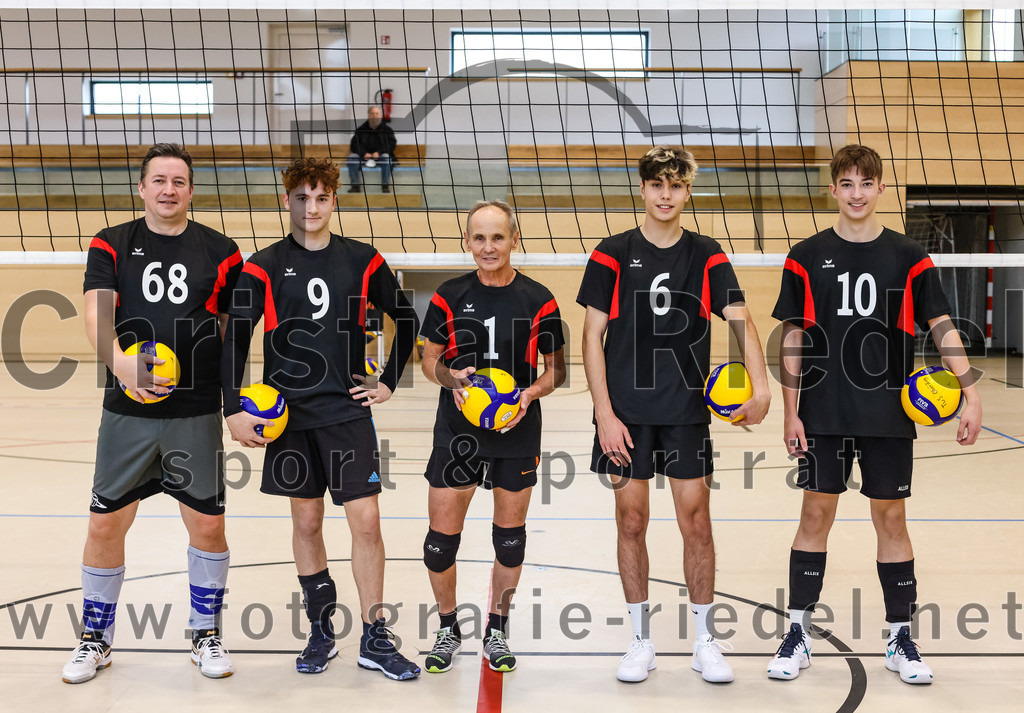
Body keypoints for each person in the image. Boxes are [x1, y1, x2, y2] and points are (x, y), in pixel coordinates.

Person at [766, 143, 982, 685]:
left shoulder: (909, 256)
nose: (857, 193)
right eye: (847, 183)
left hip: (888, 410)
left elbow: (940, 325)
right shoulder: (805, 256)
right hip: (824, 409)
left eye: (867, 183)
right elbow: (793, 337)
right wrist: (791, 411)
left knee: (891, 519)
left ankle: (899, 639)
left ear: (881, 188)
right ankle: (797, 633)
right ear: (833, 189)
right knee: (815, 517)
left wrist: (969, 391)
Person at [577, 145, 771, 684]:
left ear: (688, 192)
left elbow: (742, 320)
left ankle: (706, 640)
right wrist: (604, 415)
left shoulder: (706, 253)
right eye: (657, 184)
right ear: (642, 189)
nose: (666, 194)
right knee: (631, 521)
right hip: (626, 417)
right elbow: (591, 338)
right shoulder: (611, 253)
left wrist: (762, 386)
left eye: (676, 185)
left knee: (697, 523)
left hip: (687, 413)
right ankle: (641, 641)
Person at [221, 156, 421, 680]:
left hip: (345, 411)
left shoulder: (362, 260)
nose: (312, 207)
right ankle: (320, 631)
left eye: (322, 198)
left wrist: (389, 381)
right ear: (287, 201)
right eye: (302, 197)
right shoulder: (261, 266)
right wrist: (232, 411)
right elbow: (235, 341)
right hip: (287, 417)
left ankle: (375, 635)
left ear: (334, 201)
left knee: (367, 521)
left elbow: (405, 315)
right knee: (306, 521)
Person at [64, 143, 242, 684]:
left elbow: (234, 335)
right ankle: (94, 639)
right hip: (128, 410)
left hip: (194, 406)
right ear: (141, 188)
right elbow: (98, 311)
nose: (169, 189)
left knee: (208, 524)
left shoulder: (223, 251)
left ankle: (206, 634)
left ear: (191, 190)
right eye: (159, 180)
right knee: (105, 521)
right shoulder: (112, 243)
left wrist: (233, 400)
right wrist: (123, 366)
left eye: (179, 181)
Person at [418, 200, 566, 674]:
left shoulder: (538, 297)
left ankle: (496, 628)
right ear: (467, 241)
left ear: (514, 240)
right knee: (439, 544)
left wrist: (529, 395)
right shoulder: (447, 294)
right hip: (457, 431)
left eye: (497, 237)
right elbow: (429, 362)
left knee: (509, 541)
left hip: (516, 429)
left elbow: (557, 370)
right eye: (479, 238)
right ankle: (447, 627)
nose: (488, 247)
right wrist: (452, 380)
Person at [347, 106, 397, 193]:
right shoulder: (360, 129)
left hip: (380, 157)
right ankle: (355, 186)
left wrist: (379, 152)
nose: (375, 116)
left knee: (386, 157)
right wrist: (364, 153)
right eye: (372, 114)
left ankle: (385, 186)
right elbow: (354, 145)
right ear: (369, 115)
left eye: (377, 114)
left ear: (381, 116)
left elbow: (391, 144)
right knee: (352, 157)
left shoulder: (387, 130)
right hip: (363, 157)